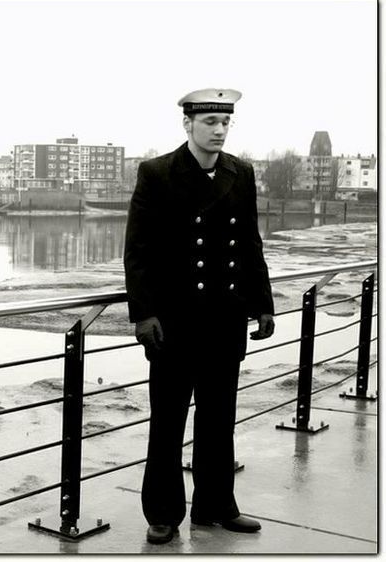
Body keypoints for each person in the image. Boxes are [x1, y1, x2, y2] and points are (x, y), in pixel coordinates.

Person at [123, 88, 275, 545]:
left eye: (225, 122)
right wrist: (144, 313)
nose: (219, 130)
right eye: (209, 121)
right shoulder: (157, 173)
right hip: (174, 322)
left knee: (218, 419)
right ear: (187, 124)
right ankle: (164, 512)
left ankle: (215, 507)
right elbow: (138, 250)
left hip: (225, 321)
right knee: (167, 422)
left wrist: (262, 302)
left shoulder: (240, 172)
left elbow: (249, 242)